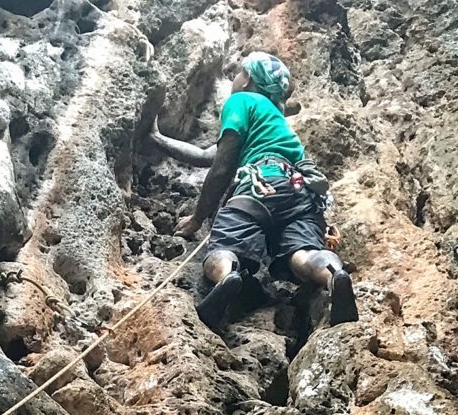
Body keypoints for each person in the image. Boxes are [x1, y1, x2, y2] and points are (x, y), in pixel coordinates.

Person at [148, 52, 357, 333]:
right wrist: (158, 139)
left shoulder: (241, 101)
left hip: (258, 187)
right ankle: (334, 276)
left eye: (239, 73)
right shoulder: (275, 122)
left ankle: (227, 276)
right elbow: (205, 154)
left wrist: (197, 219)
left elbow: (222, 166)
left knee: (225, 247)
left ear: (246, 79)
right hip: (299, 193)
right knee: (304, 254)